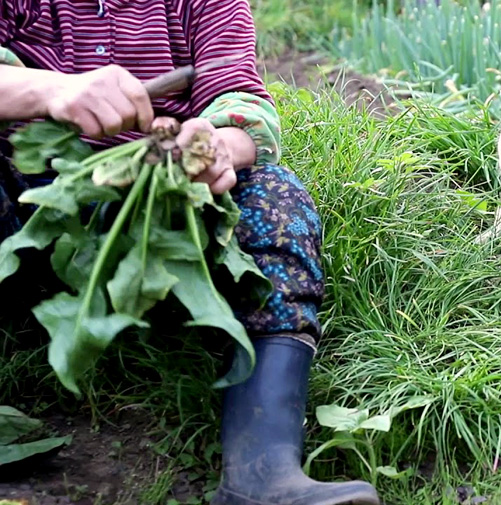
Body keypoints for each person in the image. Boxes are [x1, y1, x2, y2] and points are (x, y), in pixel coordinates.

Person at [0, 1, 380, 504]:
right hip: (25, 208)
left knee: (276, 199)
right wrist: (53, 89)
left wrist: (218, 147)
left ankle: (261, 473)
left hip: (165, 212)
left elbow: (244, 105)